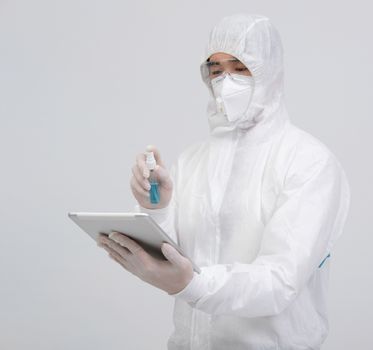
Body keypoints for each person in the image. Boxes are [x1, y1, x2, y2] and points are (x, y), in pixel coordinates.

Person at [97, 13, 351, 350]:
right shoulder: (193, 160)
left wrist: (193, 285)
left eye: (240, 68)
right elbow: (178, 254)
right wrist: (156, 208)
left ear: (269, 70)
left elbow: (280, 280)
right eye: (216, 70)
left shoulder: (307, 161)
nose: (225, 81)